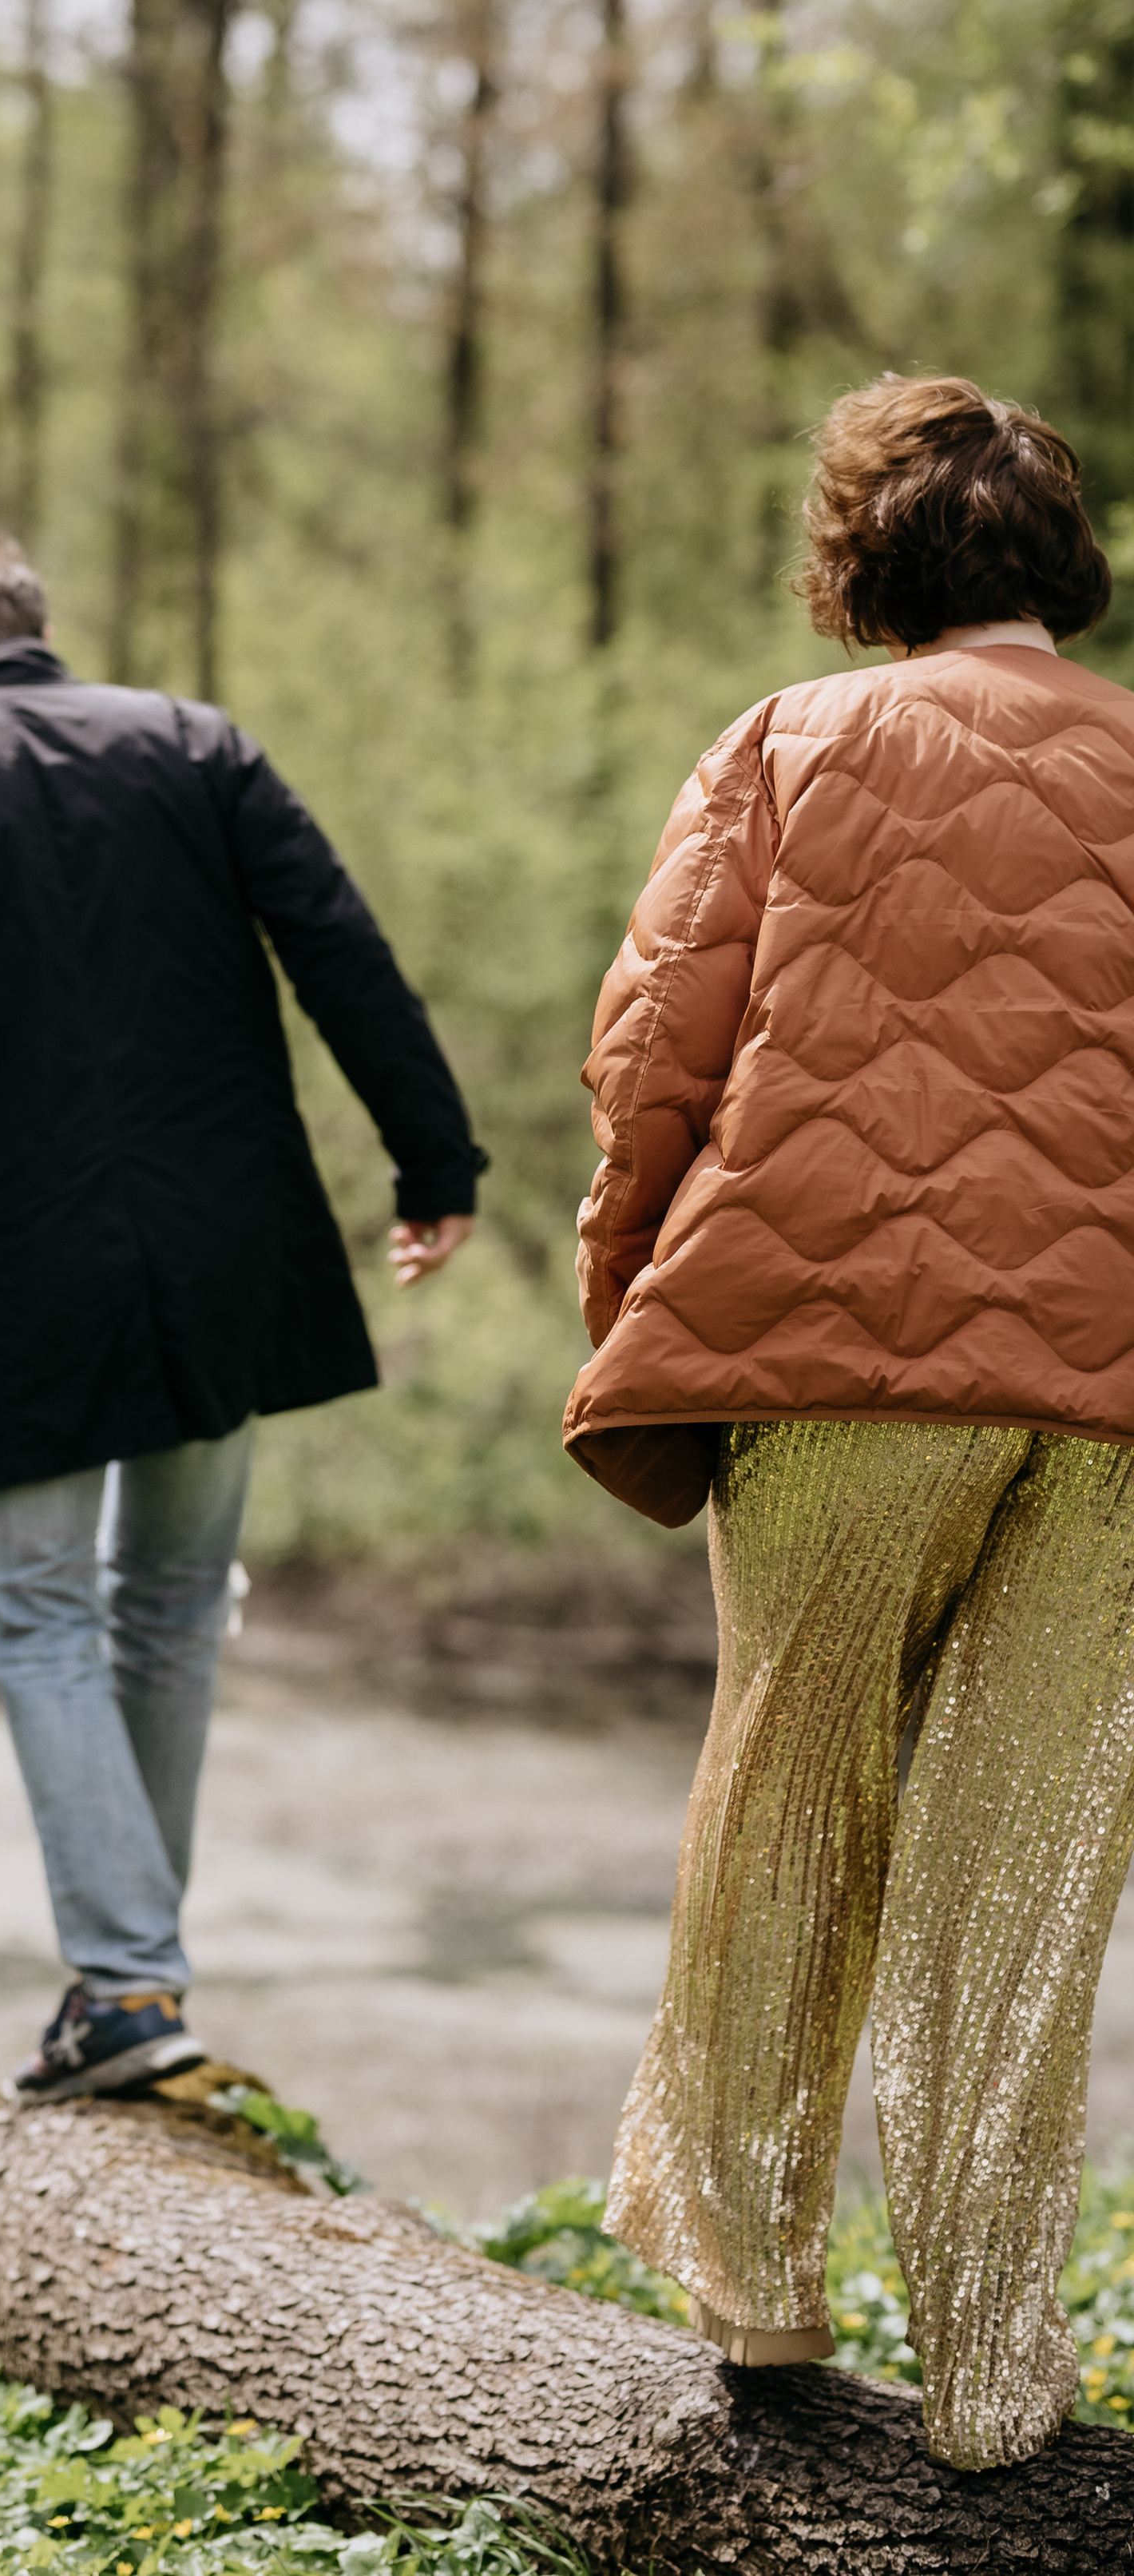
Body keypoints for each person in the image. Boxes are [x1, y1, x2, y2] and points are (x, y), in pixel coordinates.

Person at [561, 372, 1134, 2471]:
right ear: (1060, 564)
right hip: (1112, 1399)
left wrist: (632, 1287)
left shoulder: (795, 743)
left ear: (863, 564)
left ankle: (763, 2293)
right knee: (1027, 1866)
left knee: (793, 1789)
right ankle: (995, 2366)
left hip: (831, 1353)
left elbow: (659, 1044)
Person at [0, 514, 484, 2100]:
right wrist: (429, 1156)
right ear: (32, 621)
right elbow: (339, 949)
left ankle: (121, 1989)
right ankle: (137, 1987)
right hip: (219, 1263)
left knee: (32, 1610)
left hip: (8, 1285)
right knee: (172, 1604)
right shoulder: (194, 746)